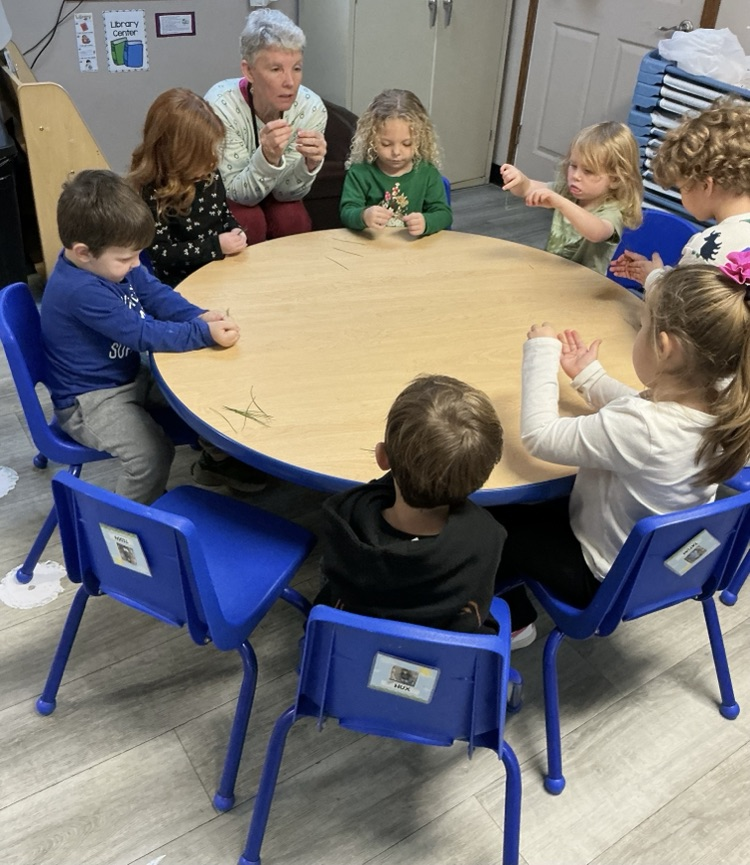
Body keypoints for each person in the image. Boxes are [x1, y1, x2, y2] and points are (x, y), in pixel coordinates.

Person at [490, 261, 750, 645]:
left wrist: (541, 351)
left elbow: (540, 436)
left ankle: (513, 623)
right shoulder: (725, 410)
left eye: (643, 325)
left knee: (490, 523)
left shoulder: (643, 428)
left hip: (597, 576)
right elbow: (645, 421)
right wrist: (590, 377)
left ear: (665, 348)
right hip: (653, 570)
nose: (639, 332)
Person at [40, 169, 263, 505]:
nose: (134, 265)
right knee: (151, 456)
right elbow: (141, 333)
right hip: (91, 399)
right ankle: (125, 530)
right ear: (83, 252)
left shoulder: (109, 262)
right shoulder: (80, 290)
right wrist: (202, 333)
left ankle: (218, 463)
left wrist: (196, 315)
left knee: (202, 396)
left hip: (129, 377)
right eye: (126, 258)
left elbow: (154, 293)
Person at [315, 374, 506, 634]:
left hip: (346, 650)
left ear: (382, 457)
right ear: (482, 479)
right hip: (442, 659)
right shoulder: (486, 536)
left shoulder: (344, 517)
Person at [204, 9, 327, 245]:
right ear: (249, 71)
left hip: (277, 193)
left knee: (293, 218)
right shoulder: (220, 104)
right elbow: (238, 194)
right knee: (248, 221)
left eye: (297, 68)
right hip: (231, 195)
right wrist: (268, 158)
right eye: (276, 69)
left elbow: (287, 194)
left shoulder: (311, 107)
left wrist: (309, 165)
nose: (290, 82)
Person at [609, 98, 750, 291]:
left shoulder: (708, 247)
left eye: (681, 188)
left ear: (705, 186)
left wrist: (653, 279)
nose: (682, 197)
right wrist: (656, 274)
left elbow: (675, 309)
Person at [128, 88, 247, 288]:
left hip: (223, 268)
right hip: (183, 283)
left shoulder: (208, 173)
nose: (212, 161)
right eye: (201, 155)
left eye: (212, 150)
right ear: (174, 154)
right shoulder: (154, 191)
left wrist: (234, 229)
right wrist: (216, 246)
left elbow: (223, 212)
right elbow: (161, 254)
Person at [500, 121, 642, 275]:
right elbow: (528, 189)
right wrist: (520, 180)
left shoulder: (612, 210)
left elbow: (596, 233)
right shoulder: (568, 192)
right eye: (573, 166)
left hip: (584, 288)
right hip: (552, 275)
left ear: (615, 179)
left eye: (588, 171)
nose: (575, 176)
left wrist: (561, 202)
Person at [339, 89, 452, 236]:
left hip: (414, 249)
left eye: (407, 144)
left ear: (420, 140)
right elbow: (347, 212)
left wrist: (426, 222)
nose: (396, 152)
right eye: (386, 144)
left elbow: (444, 214)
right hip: (371, 249)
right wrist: (363, 216)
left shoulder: (427, 172)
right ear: (371, 140)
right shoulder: (360, 172)